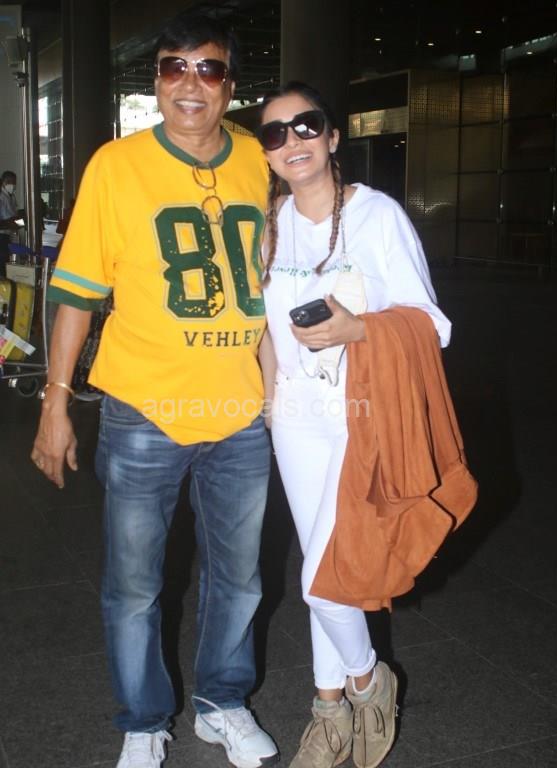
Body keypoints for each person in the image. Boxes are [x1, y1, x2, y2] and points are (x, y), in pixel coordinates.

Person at [31, 12, 279, 768]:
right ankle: (143, 719)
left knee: (239, 580)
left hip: (239, 410)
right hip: (144, 411)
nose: (190, 84)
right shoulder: (116, 165)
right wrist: (55, 402)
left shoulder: (256, 158)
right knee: (134, 585)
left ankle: (222, 702)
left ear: (230, 85)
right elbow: (76, 296)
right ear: (157, 80)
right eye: (175, 67)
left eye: (209, 69)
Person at [256, 83, 455, 768]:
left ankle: (369, 681)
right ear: (267, 154)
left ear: (333, 136)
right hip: (295, 417)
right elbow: (266, 327)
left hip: (360, 415)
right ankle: (329, 713)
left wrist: (358, 329)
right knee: (324, 566)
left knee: (322, 578)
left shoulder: (377, 215)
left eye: (306, 126)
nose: (293, 142)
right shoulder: (269, 223)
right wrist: (270, 403)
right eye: (275, 134)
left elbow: (432, 323)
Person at [0, 170, 20, 277]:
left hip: (9, 234)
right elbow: (8, 220)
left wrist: (18, 222)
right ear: (4, 182)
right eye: (10, 182)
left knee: (8, 262)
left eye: (14, 183)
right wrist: (14, 222)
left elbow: (16, 216)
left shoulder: (12, 196)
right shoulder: (1, 197)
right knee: (3, 263)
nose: (13, 185)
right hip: (2, 235)